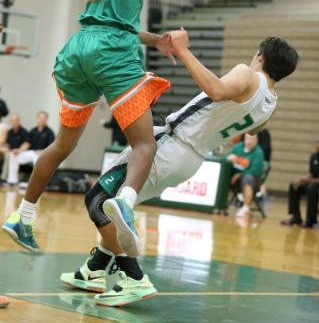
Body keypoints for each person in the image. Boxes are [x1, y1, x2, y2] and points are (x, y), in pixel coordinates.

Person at [2, 0, 297, 257]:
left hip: (78, 47)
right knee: (145, 145)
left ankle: (23, 214)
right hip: (110, 53)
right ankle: (125, 202)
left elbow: (108, 21)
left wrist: (154, 39)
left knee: (62, 146)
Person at [58, 34, 299, 307]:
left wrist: (184, 52)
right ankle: (95, 269)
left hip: (172, 145)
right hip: (190, 160)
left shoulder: (247, 74)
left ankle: (133, 278)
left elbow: (217, 91)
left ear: (261, 56)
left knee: (98, 201)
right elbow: (251, 128)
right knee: (117, 210)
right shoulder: (271, 104)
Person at [6, 111, 55, 186]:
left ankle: (35, 183)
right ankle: (12, 180)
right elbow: (27, 143)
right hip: (32, 152)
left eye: (44, 118)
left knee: (38, 158)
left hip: (42, 154)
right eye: (41, 118)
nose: (42, 119)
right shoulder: (33, 130)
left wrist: (42, 151)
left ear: (47, 119)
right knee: (14, 155)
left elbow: (51, 146)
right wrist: (19, 150)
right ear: (37, 119)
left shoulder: (50, 132)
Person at [281, 136, 319, 228]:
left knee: (311, 188)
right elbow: (311, 174)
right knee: (294, 185)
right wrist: (302, 180)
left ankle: (311, 219)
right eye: (317, 142)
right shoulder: (314, 156)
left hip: (315, 186)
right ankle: (296, 216)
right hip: (314, 184)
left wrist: (307, 181)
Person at [226, 133, 265, 218]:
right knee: (224, 176)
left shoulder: (259, 152)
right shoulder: (238, 147)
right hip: (235, 180)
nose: (249, 141)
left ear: (256, 141)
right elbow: (224, 158)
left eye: (252, 139)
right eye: (247, 139)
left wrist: (240, 174)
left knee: (248, 178)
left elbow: (255, 170)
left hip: (254, 181)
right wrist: (229, 158)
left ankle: (245, 208)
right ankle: (220, 203)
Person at [0, 113, 29, 184]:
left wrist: (19, 150)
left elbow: (26, 144)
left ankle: (4, 178)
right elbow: (8, 144)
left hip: (21, 153)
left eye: (15, 120)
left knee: (9, 155)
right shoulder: (10, 132)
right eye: (12, 120)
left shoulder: (24, 132)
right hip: (11, 152)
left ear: (19, 121)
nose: (14, 122)